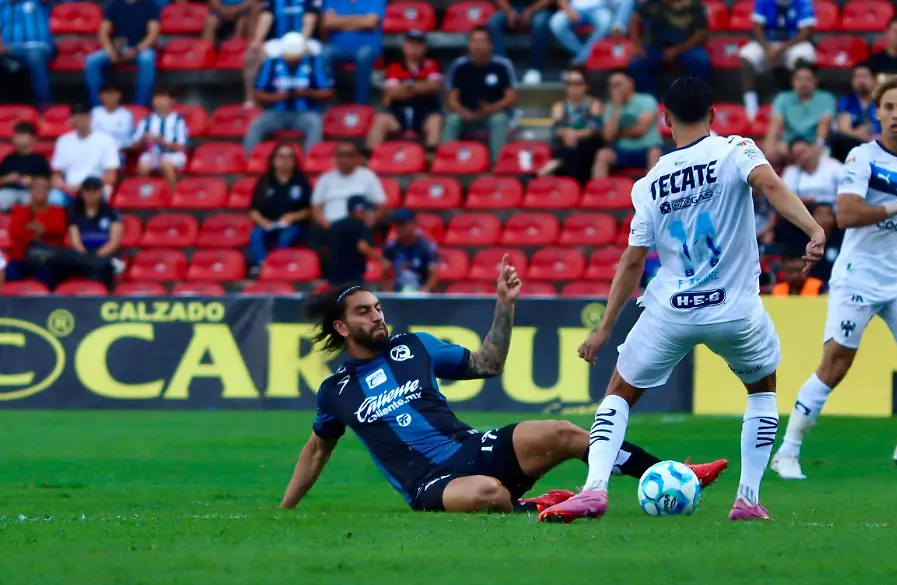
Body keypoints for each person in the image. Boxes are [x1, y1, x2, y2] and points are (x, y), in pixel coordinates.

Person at [539, 77, 826, 524]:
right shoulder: (736, 151)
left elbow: (633, 262)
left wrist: (603, 330)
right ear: (713, 115)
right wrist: (813, 229)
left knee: (618, 393)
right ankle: (747, 498)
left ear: (665, 119)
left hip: (673, 311)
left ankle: (594, 489)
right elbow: (771, 186)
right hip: (735, 310)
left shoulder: (650, 184)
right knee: (762, 391)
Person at [281, 280, 729, 512]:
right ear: (341, 327)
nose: (377, 316)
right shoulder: (335, 391)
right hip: (430, 483)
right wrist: (285, 510)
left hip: (474, 446)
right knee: (488, 495)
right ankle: (536, 506)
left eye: (378, 307)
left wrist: (505, 305)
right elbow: (317, 451)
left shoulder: (413, 346)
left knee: (566, 432)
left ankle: (675, 473)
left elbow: (488, 364)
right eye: (364, 312)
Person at [772, 75, 897, 484]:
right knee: (835, 366)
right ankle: (787, 451)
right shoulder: (863, 158)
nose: (896, 114)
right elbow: (845, 215)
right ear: (877, 113)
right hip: (858, 277)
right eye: (889, 107)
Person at [312, 142, 389, 284]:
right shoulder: (326, 179)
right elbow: (316, 207)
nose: (344, 159)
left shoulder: (367, 176)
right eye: (340, 155)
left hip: (359, 225)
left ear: (357, 158)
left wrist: (370, 220)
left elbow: (382, 205)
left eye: (349, 155)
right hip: (331, 226)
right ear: (334, 158)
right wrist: (325, 223)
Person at [244, 32, 333, 153]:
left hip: (305, 112)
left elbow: (328, 93)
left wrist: (307, 93)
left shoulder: (314, 63)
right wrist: (281, 96)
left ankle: (310, 162)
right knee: (256, 125)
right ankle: (250, 162)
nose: (292, 62)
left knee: (315, 124)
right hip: (276, 112)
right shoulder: (271, 63)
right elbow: (258, 94)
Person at [442, 28, 519, 162]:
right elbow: (452, 99)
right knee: (452, 120)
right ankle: (446, 162)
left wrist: (492, 108)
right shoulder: (459, 66)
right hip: (466, 114)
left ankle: (497, 164)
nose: (478, 46)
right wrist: (463, 111)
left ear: (491, 45)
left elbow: (512, 97)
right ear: (469, 45)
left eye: (482, 41)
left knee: (499, 120)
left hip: (493, 113)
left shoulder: (503, 65)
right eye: (474, 41)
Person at [738, 0, 817, 119]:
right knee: (746, 56)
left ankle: (798, 103)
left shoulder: (803, 2)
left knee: (803, 57)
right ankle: (751, 108)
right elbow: (757, 27)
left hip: (793, 45)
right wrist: (767, 48)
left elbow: (806, 33)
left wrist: (782, 48)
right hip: (768, 44)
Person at [366, 30, 443, 150]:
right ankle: (371, 159)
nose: (415, 47)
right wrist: (420, 86)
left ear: (425, 47)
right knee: (381, 119)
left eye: (419, 43)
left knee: (435, 121)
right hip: (398, 113)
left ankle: (431, 158)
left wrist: (407, 86)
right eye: (411, 43)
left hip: (425, 112)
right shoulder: (394, 66)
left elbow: (434, 87)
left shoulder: (432, 64)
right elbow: (391, 92)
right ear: (404, 46)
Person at [85, 0, 160, 107]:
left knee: (147, 58)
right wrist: (109, 49)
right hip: (118, 48)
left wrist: (137, 50)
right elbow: (103, 32)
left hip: (140, 48)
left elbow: (153, 33)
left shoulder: (149, 5)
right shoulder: (114, 4)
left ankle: (141, 105)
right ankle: (97, 105)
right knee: (92, 60)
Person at [245, 0, 320, 108]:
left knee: (312, 55)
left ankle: (310, 100)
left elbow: (310, 20)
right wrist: (257, 41)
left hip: (305, 40)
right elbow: (266, 17)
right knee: (253, 55)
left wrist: (300, 43)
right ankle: (252, 101)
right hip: (278, 41)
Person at [248, 143, 311, 270]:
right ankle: (263, 266)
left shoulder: (301, 182)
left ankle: (278, 267)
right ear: (273, 160)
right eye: (281, 157)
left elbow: (310, 210)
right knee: (256, 234)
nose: (285, 161)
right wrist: (262, 221)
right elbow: (253, 210)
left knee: (286, 237)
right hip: (268, 223)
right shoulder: (264, 182)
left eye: (289, 157)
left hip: (292, 224)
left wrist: (293, 217)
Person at [628, 0, 711, 94]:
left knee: (701, 61)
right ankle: (649, 100)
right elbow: (634, 20)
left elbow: (700, 33)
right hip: (656, 48)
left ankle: (695, 99)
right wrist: (638, 47)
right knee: (637, 64)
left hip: (686, 48)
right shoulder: (652, 3)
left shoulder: (694, 4)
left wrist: (677, 50)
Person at [593, 70, 662, 179]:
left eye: (618, 84)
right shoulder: (610, 107)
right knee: (602, 155)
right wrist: (617, 106)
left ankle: (651, 190)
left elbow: (640, 130)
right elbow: (608, 136)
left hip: (646, 149)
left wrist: (618, 134)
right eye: (611, 85)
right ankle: (600, 192)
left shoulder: (647, 100)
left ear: (630, 83)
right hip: (623, 151)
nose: (615, 88)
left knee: (655, 152)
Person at [541, 65, 604, 183]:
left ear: (586, 85)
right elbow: (557, 128)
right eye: (569, 83)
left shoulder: (594, 104)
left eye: (577, 83)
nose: (573, 87)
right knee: (568, 149)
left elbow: (593, 128)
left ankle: (556, 165)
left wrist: (574, 135)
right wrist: (567, 134)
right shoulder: (559, 106)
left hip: (588, 145)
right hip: (566, 145)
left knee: (579, 149)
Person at [764, 64, 836, 162]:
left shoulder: (826, 98)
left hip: (814, 142)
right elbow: (775, 125)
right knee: (774, 151)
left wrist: (817, 147)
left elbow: (825, 123)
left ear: (816, 80)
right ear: (793, 81)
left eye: (808, 79)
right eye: (799, 79)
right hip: (789, 145)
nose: (803, 83)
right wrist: (770, 149)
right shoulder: (783, 98)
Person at [5, 173, 67, 285]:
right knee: (11, 271)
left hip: (48, 258)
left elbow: (60, 230)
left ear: (49, 192)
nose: (40, 191)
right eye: (36, 188)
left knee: (49, 273)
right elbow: (15, 232)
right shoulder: (20, 211)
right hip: (22, 257)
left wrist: (42, 230)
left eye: (44, 188)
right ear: (30, 191)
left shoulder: (58, 211)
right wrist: (38, 233)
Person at [51, 103, 121, 201]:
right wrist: (63, 186)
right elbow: (57, 174)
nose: (82, 121)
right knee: (53, 197)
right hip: (69, 190)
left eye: (85, 117)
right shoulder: (63, 141)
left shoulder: (106, 140)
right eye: (78, 117)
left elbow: (111, 177)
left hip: (95, 188)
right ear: (71, 120)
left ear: (91, 118)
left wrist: (82, 187)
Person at [63, 177, 125, 288]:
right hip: (83, 255)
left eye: (95, 190)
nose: (91, 194)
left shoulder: (112, 213)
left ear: (101, 192)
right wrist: (86, 256)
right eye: (87, 190)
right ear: (82, 192)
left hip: (106, 255)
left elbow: (114, 241)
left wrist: (98, 256)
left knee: (101, 267)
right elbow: (75, 240)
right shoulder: (75, 214)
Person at [321, 0, 383, 105]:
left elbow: (370, 22)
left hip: (367, 47)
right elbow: (328, 23)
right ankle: (329, 102)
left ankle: (362, 104)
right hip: (338, 47)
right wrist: (360, 21)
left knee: (363, 55)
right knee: (324, 53)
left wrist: (339, 22)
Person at [131, 86, 189, 191]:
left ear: (172, 101)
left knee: (165, 163)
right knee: (143, 166)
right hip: (152, 154)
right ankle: (146, 194)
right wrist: (142, 139)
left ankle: (173, 195)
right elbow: (134, 144)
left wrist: (163, 142)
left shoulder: (178, 121)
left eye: (163, 98)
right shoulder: (146, 120)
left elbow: (180, 146)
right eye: (156, 98)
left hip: (174, 155)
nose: (159, 101)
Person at [0, 0, 54, 108]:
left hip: (38, 46)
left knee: (35, 57)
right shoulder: (2, 5)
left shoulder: (37, 2)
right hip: (10, 49)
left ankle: (44, 105)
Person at [487, 0, 552, 85]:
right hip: (512, 8)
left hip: (540, 9)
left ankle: (535, 68)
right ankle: (501, 67)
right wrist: (509, 11)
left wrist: (531, 10)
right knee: (493, 22)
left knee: (540, 23)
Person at [828, 63, 880, 162]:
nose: (861, 81)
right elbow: (843, 128)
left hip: (880, 147)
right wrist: (859, 135)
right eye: (857, 77)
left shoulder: (882, 102)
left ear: (874, 80)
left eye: (865, 76)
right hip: (853, 149)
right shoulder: (846, 102)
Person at [383, 209, 439, 293]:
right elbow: (384, 272)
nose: (400, 228)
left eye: (403, 224)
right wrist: (387, 292)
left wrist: (423, 291)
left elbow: (433, 275)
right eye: (397, 225)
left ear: (414, 224)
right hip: (399, 294)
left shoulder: (427, 247)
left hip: (422, 294)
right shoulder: (391, 247)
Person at [0, 122, 51, 212]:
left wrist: (32, 182)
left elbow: (47, 181)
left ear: (33, 139)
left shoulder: (39, 160)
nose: (18, 138)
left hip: (31, 193)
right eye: (17, 135)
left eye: (22, 135)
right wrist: (7, 179)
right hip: (10, 191)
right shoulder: (8, 159)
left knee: (36, 200)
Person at [549, 0, 617, 67]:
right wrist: (568, 10)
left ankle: (580, 61)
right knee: (557, 23)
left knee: (606, 23)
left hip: (600, 9)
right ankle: (584, 57)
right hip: (575, 8)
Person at [91, 83, 137, 155]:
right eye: (107, 93)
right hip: (96, 150)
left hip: (118, 151)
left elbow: (126, 137)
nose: (110, 96)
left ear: (120, 95)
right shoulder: (94, 113)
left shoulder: (126, 114)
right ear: (101, 96)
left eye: (113, 93)